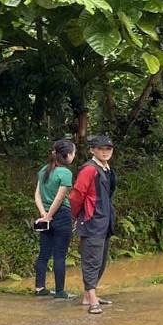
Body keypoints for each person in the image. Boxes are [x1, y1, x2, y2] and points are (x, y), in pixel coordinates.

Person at [68, 134, 117, 315]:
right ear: (92, 150)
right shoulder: (89, 169)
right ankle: (92, 299)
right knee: (92, 261)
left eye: (108, 149)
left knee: (101, 260)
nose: (105, 152)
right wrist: (77, 216)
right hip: (92, 221)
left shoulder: (106, 169)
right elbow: (76, 195)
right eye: (101, 149)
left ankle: (88, 296)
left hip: (105, 221)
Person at [32, 139, 76, 298]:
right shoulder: (66, 173)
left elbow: (37, 194)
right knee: (59, 255)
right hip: (61, 215)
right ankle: (60, 291)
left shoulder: (44, 170)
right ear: (68, 155)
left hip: (45, 215)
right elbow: (59, 198)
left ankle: (39, 288)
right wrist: (49, 216)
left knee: (44, 254)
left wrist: (43, 214)